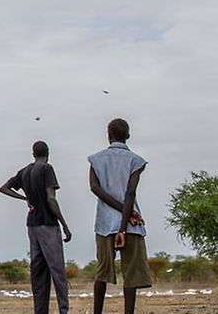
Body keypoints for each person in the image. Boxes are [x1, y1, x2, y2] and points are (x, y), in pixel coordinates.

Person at [88, 118, 152, 314]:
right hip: (131, 224)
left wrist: (120, 212)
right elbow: (130, 193)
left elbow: (95, 188)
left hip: (105, 224)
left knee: (102, 272)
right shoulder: (136, 161)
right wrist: (126, 218)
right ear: (129, 135)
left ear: (108, 135)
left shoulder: (95, 160)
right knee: (131, 276)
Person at [0, 140, 71, 314]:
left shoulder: (24, 172)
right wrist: (64, 224)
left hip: (32, 225)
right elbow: (51, 199)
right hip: (48, 224)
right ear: (48, 154)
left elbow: (4, 188)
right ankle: (64, 310)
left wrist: (25, 199)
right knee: (57, 271)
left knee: (38, 272)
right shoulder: (47, 169)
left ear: (33, 154)